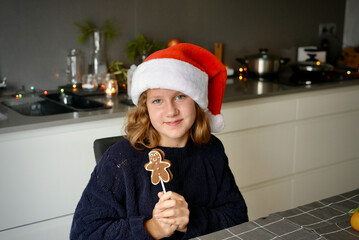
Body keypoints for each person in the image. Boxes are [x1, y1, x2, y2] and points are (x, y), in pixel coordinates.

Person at [70, 43, 248, 239]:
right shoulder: (119, 160)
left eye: (180, 96)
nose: (171, 111)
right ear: (145, 107)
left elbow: (238, 217)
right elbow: (83, 234)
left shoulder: (211, 149)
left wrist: (192, 219)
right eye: (157, 100)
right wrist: (151, 228)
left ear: (197, 101)